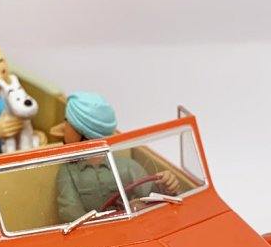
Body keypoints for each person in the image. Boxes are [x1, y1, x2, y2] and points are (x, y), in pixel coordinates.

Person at [55, 92, 179, 223]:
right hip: (95, 232)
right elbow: (70, 212)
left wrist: (165, 186)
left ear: (81, 131)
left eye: (67, 121)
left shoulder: (127, 167)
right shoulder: (68, 173)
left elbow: (150, 195)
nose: (63, 127)